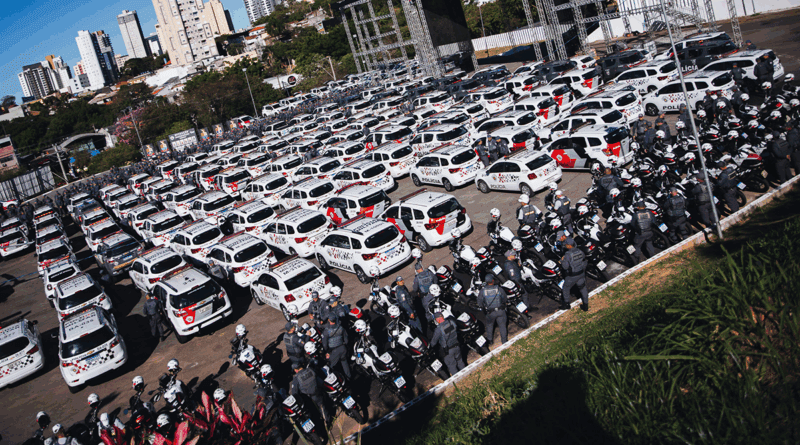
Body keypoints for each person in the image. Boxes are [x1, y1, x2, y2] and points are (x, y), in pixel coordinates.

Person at [429, 311, 465, 376]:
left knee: (452, 366)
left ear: (437, 319)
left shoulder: (438, 329)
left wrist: (430, 347)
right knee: (460, 362)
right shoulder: (451, 322)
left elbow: (433, 342)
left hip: (448, 351)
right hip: (457, 346)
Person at [560, 237, 589, 311]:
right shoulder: (580, 251)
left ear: (569, 245)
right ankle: (585, 305)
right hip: (581, 273)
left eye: (566, 245)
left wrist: (562, 260)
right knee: (583, 288)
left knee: (566, 288)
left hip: (572, 276)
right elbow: (584, 260)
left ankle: (567, 304)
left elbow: (565, 267)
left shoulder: (568, 254)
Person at [478, 275, 507, 345]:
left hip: (490, 312)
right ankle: (504, 341)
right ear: (493, 281)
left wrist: (484, 307)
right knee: (502, 326)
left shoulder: (483, 291)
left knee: (489, 325)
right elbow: (505, 298)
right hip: (500, 311)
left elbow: (480, 303)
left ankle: (490, 340)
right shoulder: (499, 289)